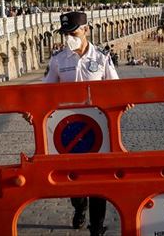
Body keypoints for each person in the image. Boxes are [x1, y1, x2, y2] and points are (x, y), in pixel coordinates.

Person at [42, 12, 119, 235]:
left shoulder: (102, 57)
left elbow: (115, 89)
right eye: (65, 33)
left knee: (99, 180)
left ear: (86, 30)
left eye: (73, 32)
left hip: (99, 129)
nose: (68, 37)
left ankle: (96, 226)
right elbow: (45, 93)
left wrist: (124, 104)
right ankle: (79, 207)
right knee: (73, 178)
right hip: (69, 129)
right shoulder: (58, 60)